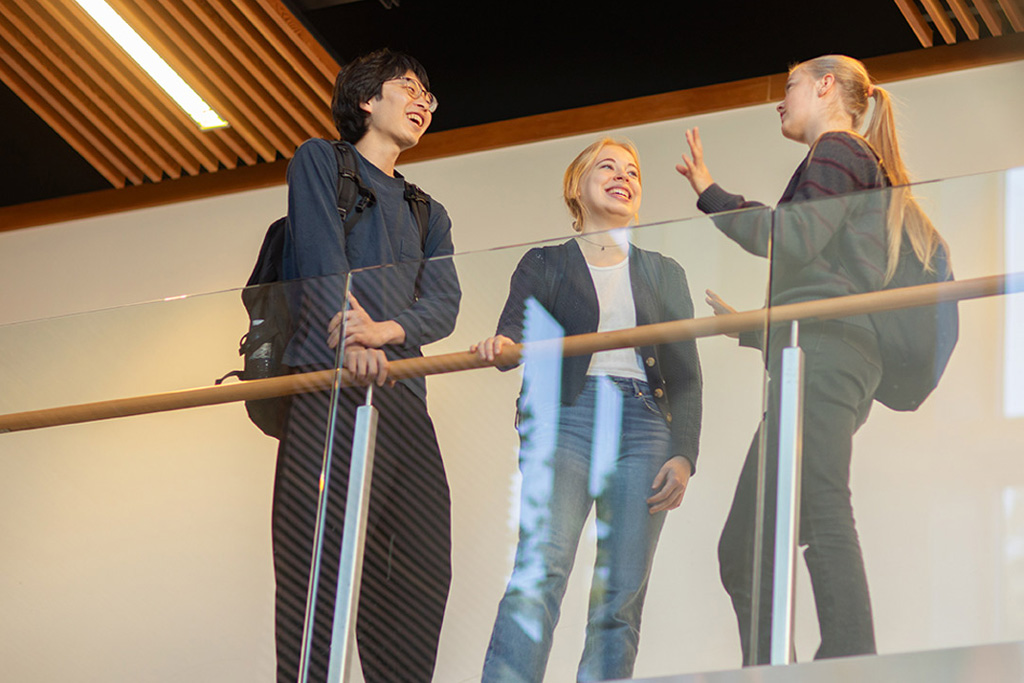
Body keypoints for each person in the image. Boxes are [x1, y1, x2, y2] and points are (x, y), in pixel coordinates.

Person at [676, 55, 949, 664]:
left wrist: (709, 194)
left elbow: (792, 238)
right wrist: (755, 333)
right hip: (815, 355)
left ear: (826, 86)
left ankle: (850, 657)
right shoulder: (848, 158)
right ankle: (774, 668)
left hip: (826, 357)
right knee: (744, 548)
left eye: (791, 86)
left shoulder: (838, 150)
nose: (781, 100)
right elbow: (829, 274)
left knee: (820, 506)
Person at [474, 138, 703, 682]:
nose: (624, 176)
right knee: (541, 573)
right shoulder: (547, 263)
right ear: (578, 185)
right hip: (565, 420)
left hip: (646, 425)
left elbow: (687, 375)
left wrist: (686, 454)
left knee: (621, 593)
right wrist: (498, 348)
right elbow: (512, 338)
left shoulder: (665, 271)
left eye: (634, 171)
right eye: (608, 166)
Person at [272, 49, 460, 682]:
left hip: (404, 397)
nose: (422, 103)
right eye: (408, 87)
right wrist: (349, 342)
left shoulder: (426, 210)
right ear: (365, 100)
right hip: (329, 390)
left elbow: (445, 302)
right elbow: (323, 259)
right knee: (316, 573)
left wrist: (382, 332)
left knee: (420, 569)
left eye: (429, 98)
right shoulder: (321, 161)